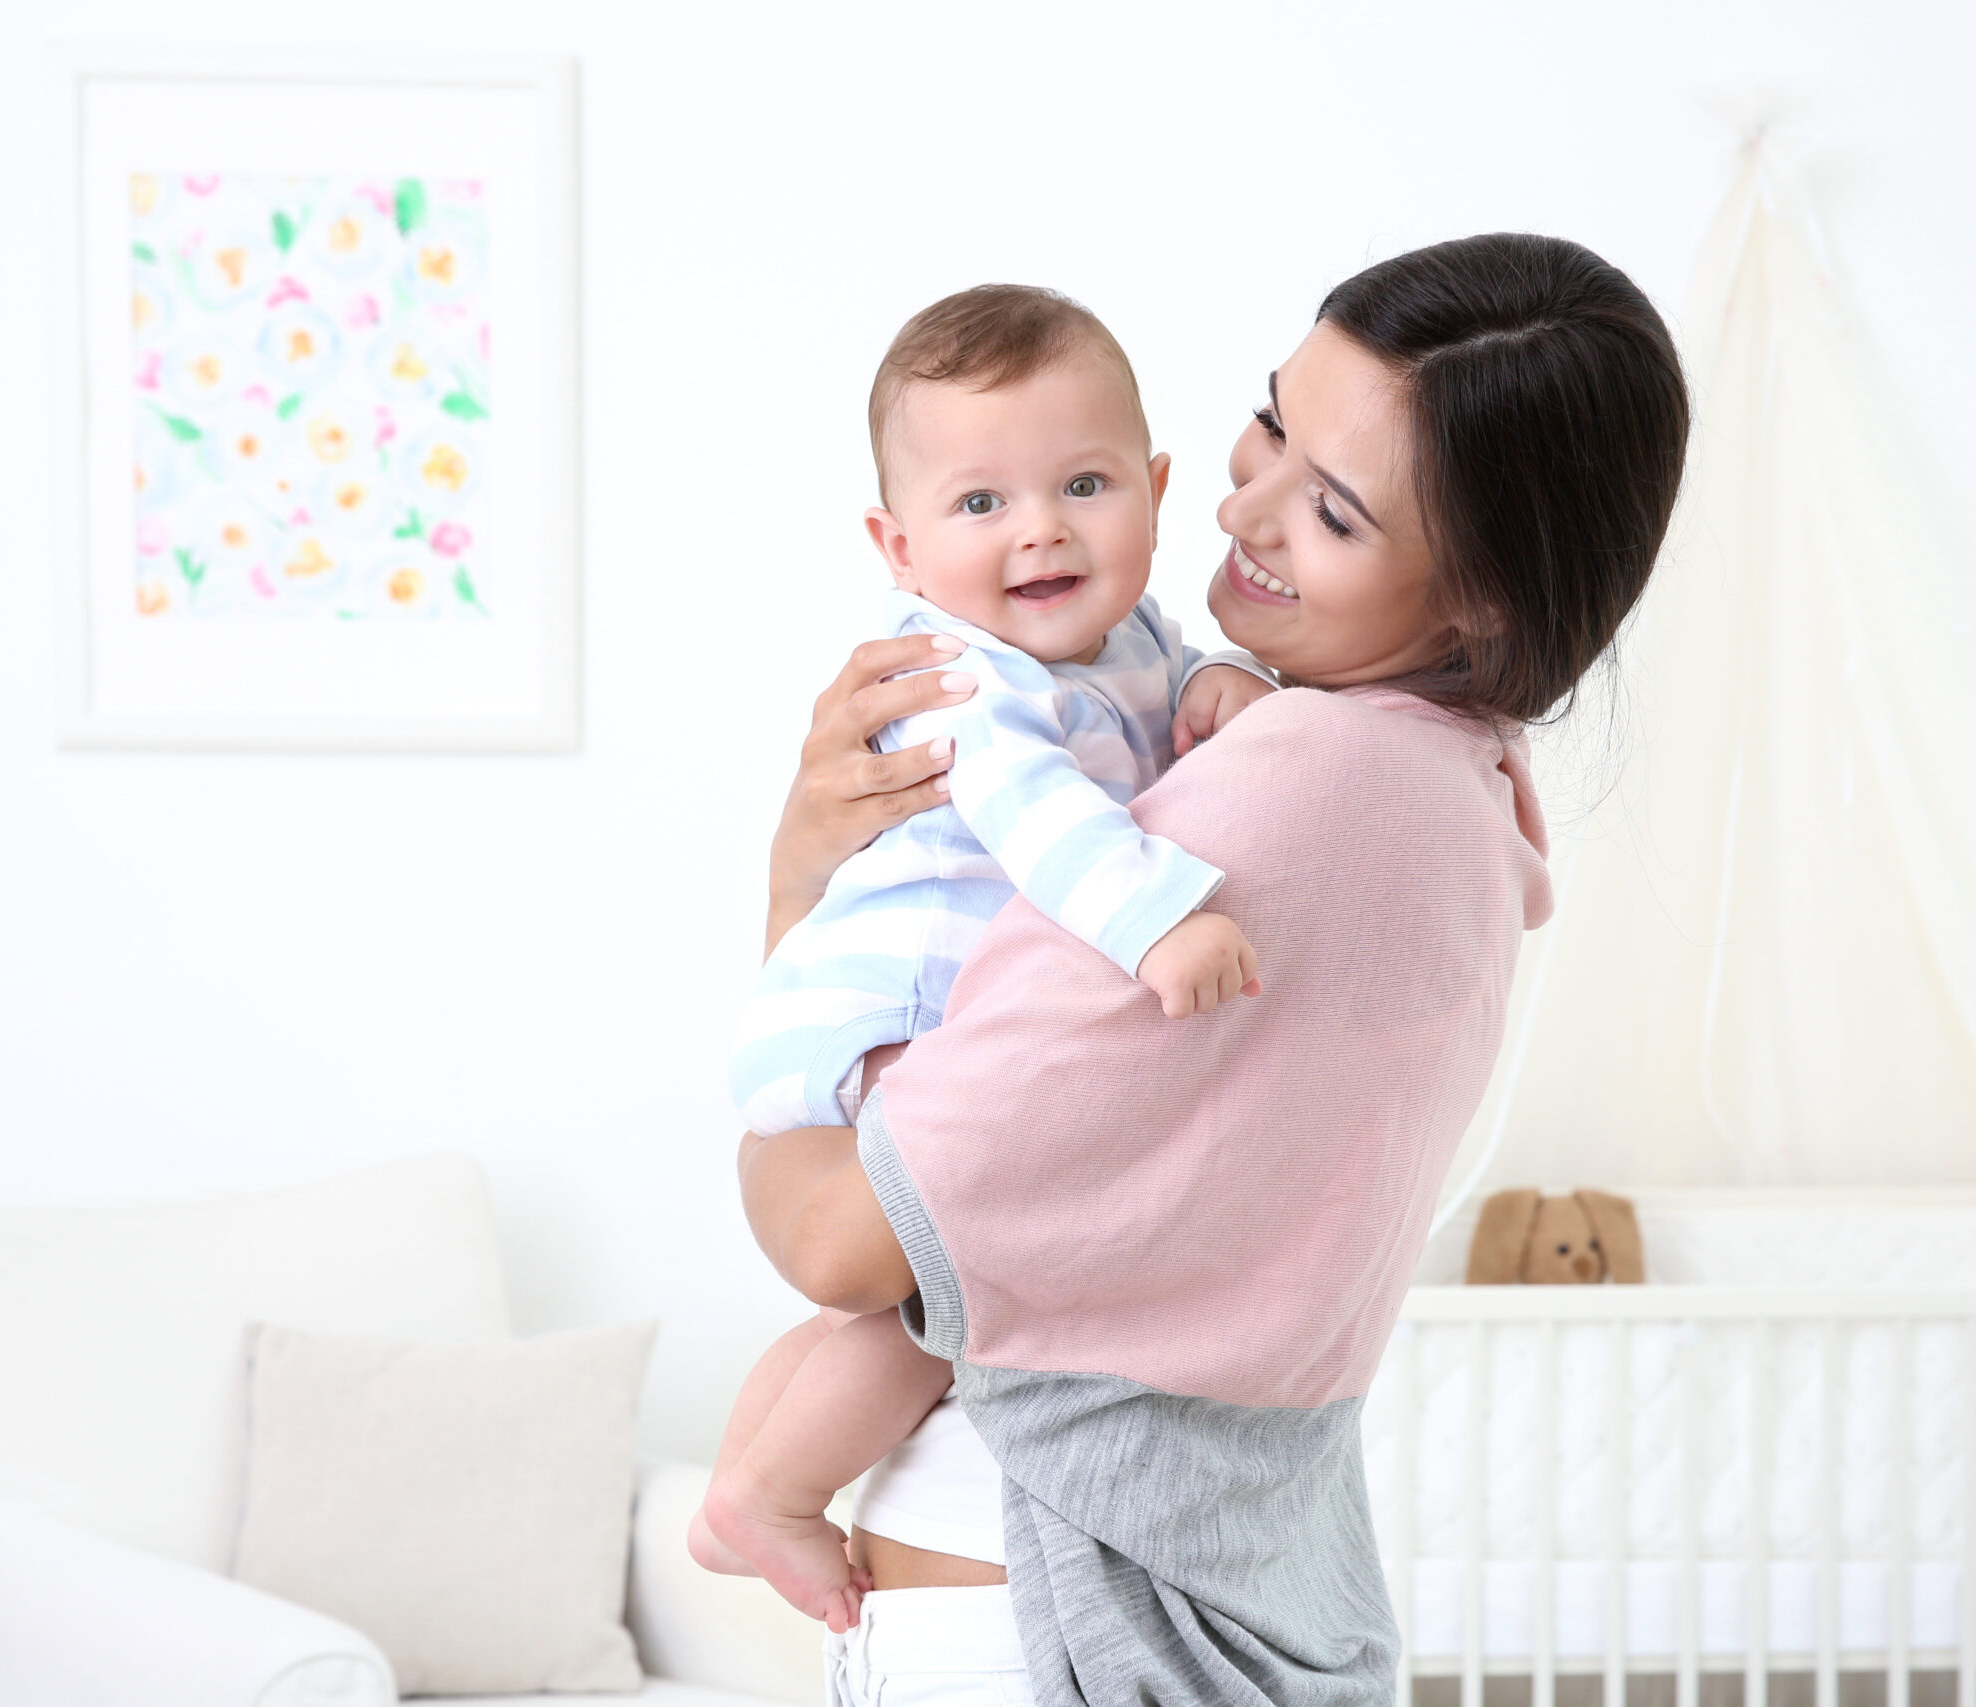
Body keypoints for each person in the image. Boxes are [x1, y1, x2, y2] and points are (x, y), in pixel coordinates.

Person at [741, 233, 1690, 1706]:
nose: (1246, 506)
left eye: (1334, 508)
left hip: (1042, 1608)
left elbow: (841, 1239)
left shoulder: (1286, 789)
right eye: (1272, 423)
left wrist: (798, 899)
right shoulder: (1447, 786)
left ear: (1485, 597)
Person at [703, 283, 1278, 1629]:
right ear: (897, 547)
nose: (1041, 530)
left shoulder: (1121, 638)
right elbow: (1044, 813)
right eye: (980, 506)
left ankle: (746, 1476)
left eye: (1084, 483)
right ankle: (781, 1494)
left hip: (930, 1007)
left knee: (923, 1297)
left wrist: (1212, 690)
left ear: (1155, 486)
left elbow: (1163, 682)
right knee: (969, 1289)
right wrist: (1162, 921)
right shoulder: (960, 679)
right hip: (895, 1009)